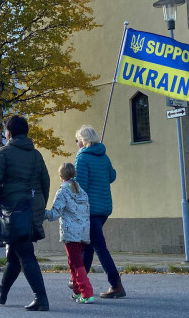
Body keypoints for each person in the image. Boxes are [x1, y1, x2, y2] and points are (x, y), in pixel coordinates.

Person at [0, 115, 51, 311]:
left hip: (14, 210)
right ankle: (2, 290)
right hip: (32, 208)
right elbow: (46, 182)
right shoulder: (36, 155)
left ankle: (41, 298)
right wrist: (39, 206)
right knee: (15, 255)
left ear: (9, 133)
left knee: (25, 254)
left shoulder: (4, 152)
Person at [74, 125, 125, 299]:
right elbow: (112, 176)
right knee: (88, 246)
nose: (77, 143)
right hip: (104, 208)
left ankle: (116, 284)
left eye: (77, 140)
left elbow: (80, 187)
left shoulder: (82, 158)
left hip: (90, 209)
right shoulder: (104, 156)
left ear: (83, 140)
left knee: (98, 247)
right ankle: (80, 282)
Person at [45, 163, 94, 304]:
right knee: (73, 262)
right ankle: (77, 291)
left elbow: (54, 214)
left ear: (61, 176)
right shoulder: (81, 191)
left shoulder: (62, 192)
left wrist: (41, 213)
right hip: (83, 231)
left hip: (71, 233)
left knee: (76, 263)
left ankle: (87, 293)